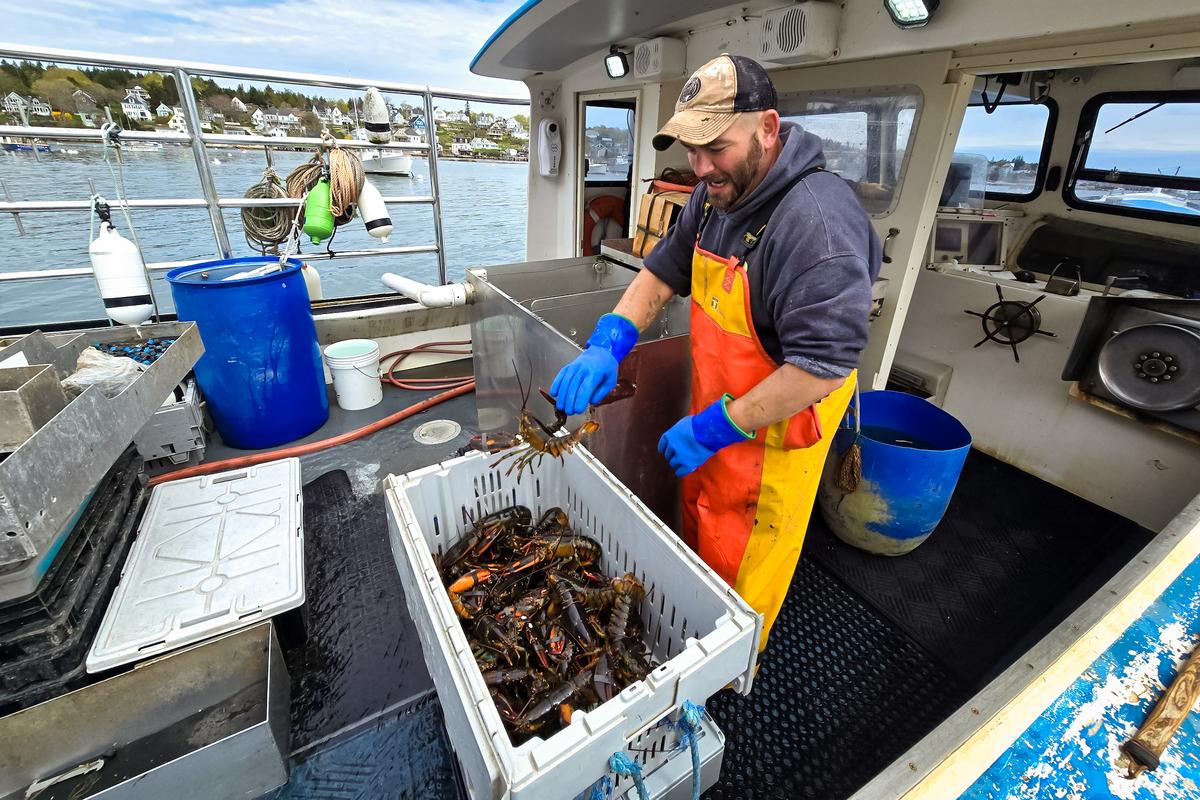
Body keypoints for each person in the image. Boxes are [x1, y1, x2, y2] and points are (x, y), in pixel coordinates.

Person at [550, 54, 882, 649]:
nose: (701, 168)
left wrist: (716, 427)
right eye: (690, 149)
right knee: (702, 535)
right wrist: (608, 343)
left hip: (773, 441)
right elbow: (661, 273)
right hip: (716, 420)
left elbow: (821, 368)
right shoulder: (713, 197)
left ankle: (728, 678)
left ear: (768, 128)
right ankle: (692, 643)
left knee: (743, 584)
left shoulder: (817, 228)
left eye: (716, 148)